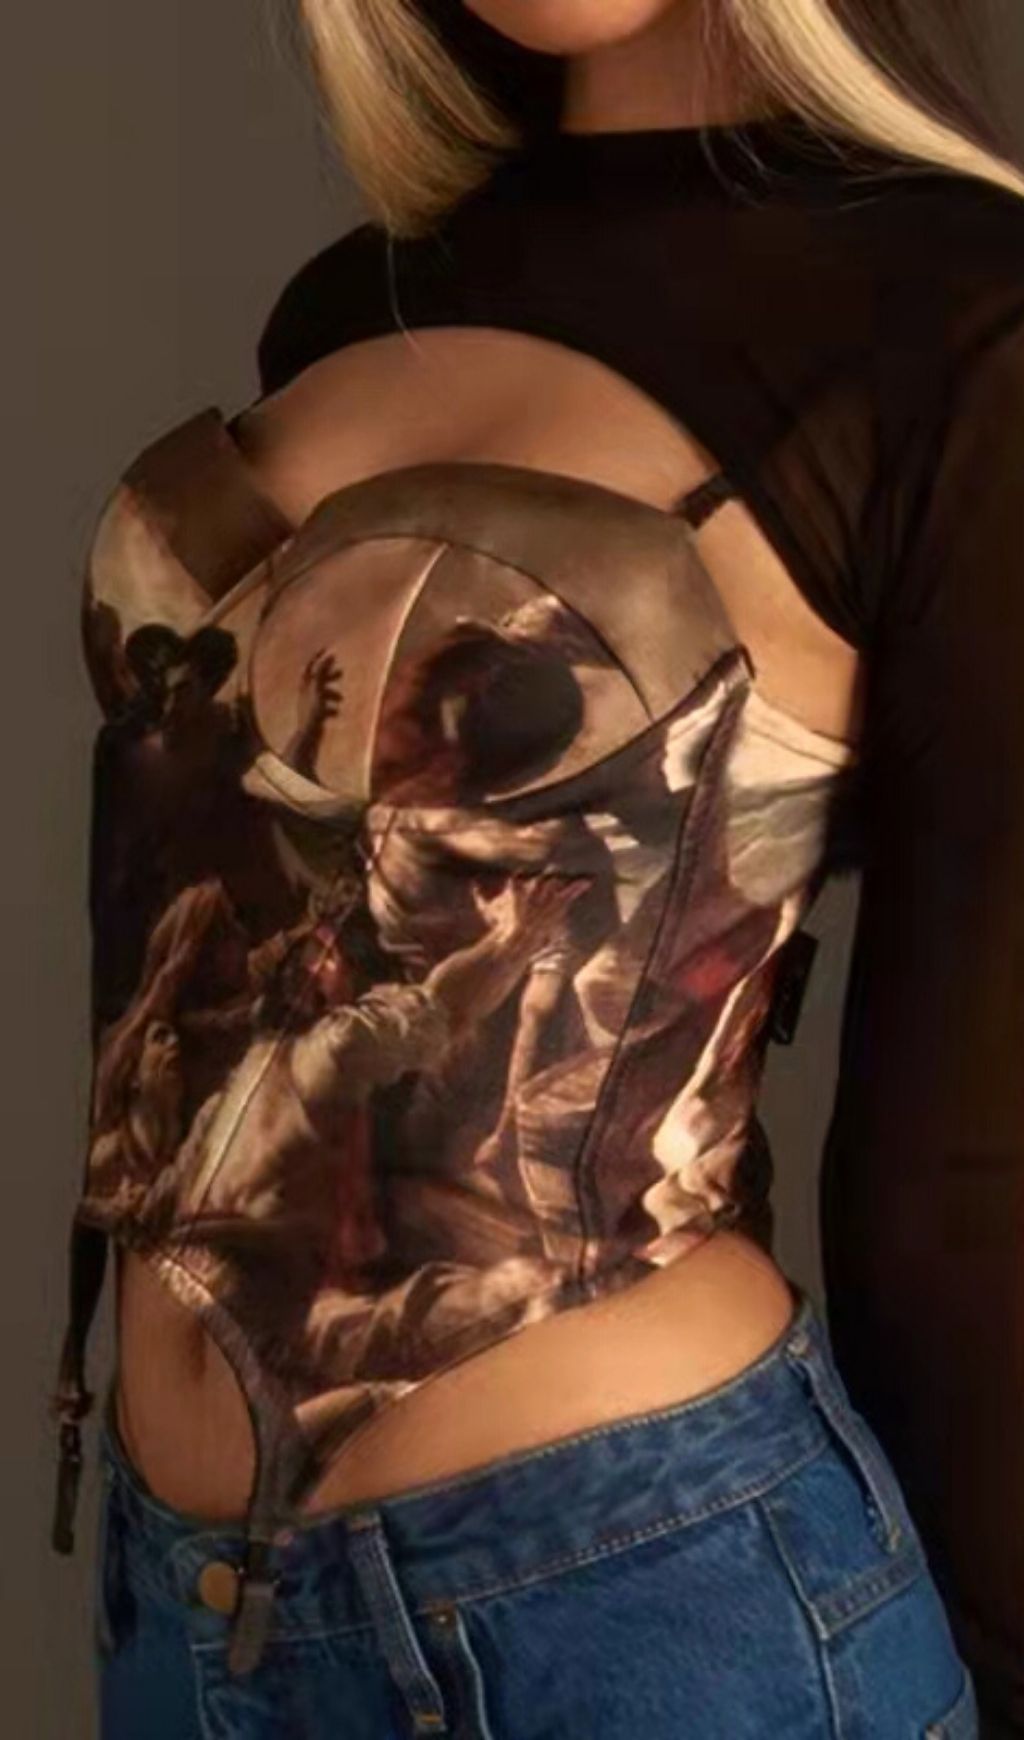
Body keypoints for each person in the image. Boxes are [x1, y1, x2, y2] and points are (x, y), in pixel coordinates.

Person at [49, 2, 1024, 1735]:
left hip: (645, 1613)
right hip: (189, 1614)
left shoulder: (966, 327)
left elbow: (970, 1167)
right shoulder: (360, 301)